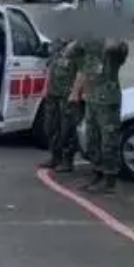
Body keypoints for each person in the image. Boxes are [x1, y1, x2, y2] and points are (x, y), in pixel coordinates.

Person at [75, 36, 129, 193]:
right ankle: (97, 173)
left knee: (109, 142)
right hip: (92, 100)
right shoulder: (89, 52)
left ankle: (110, 179)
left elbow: (115, 47)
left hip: (108, 102)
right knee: (93, 140)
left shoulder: (113, 52)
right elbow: (70, 52)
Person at [37, 38, 82, 173]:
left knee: (67, 129)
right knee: (50, 127)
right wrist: (46, 87)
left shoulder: (78, 47)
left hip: (67, 95)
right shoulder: (57, 45)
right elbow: (51, 67)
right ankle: (55, 157)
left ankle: (67, 160)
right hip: (53, 92)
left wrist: (75, 92)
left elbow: (82, 71)